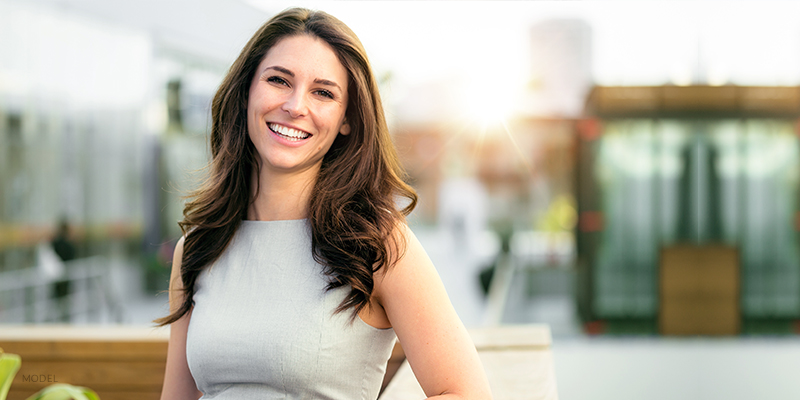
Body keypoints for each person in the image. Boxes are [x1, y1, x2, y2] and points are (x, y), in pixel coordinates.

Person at [156, 7, 492, 400]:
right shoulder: (197, 248)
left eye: (323, 92)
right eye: (279, 80)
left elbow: (465, 393)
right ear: (247, 91)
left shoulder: (377, 243)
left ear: (346, 118)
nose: (296, 106)